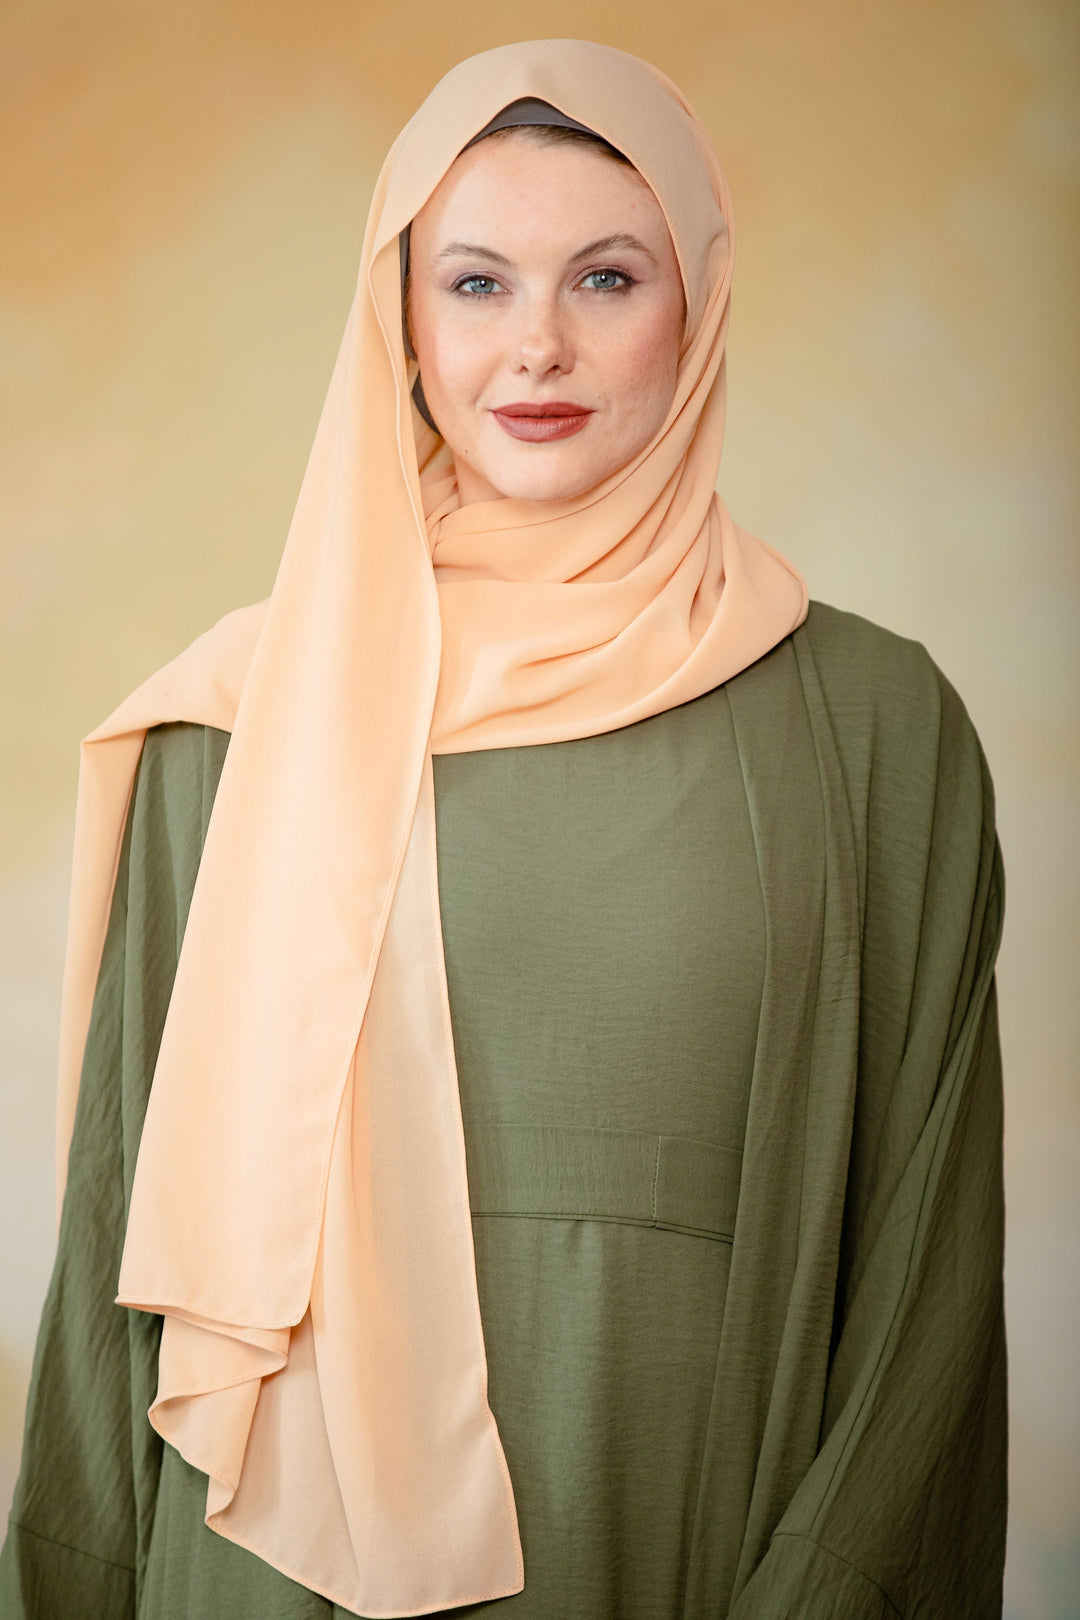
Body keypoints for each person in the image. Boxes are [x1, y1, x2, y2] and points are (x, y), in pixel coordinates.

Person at [0, 38, 1007, 1620]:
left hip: (680, 1533)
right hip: (251, 1574)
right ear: (398, 319)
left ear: (702, 300)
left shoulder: (871, 729)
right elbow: (120, 1250)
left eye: (606, 278)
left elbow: (925, 1285)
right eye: (474, 283)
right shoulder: (238, 720)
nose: (535, 345)